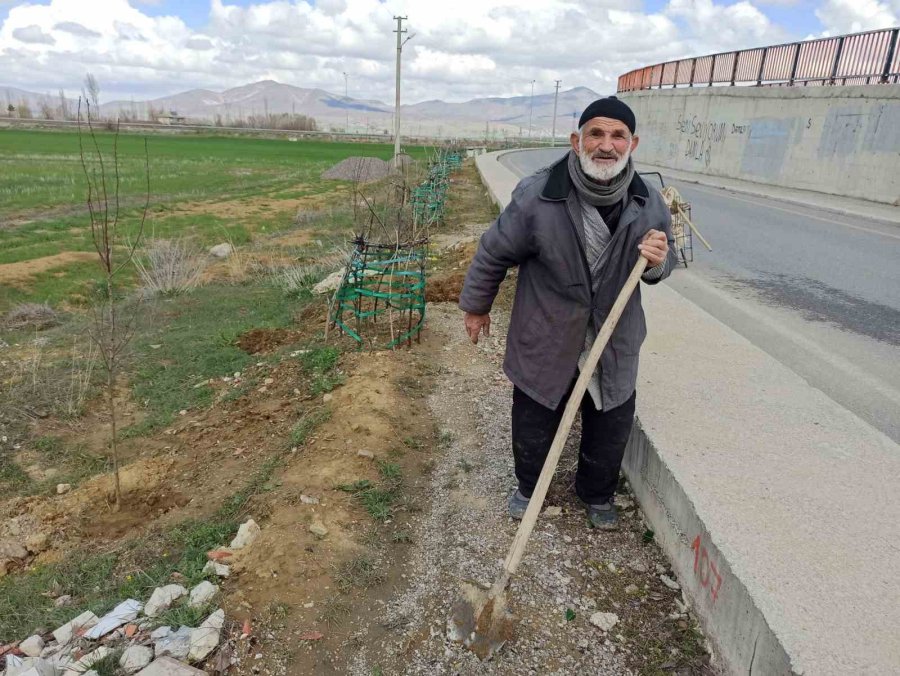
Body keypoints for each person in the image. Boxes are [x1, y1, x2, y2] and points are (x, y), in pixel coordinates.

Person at [458, 96, 677, 530]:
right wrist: (476, 307)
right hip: (548, 329)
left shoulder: (647, 201)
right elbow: (494, 252)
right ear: (577, 140)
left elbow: (665, 264)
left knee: (610, 420)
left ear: (632, 143)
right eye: (596, 133)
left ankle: (596, 494)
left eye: (618, 136)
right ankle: (529, 487)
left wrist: (657, 261)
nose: (606, 145)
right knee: (536, 415)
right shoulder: (538, 195)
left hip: (613, 335)